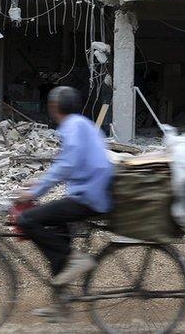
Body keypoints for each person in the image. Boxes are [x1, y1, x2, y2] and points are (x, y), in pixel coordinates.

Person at [16, 86, 113, 316]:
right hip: (91, 192)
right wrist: (37, 184)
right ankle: (62, 303)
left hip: (89, 197)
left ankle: (74, 260)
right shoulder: (82, 124)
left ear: (54, 107)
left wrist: (35, 192)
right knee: (57, 236)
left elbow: (66, 165)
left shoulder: (72, 126)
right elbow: (70, 164)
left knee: (28, 220)